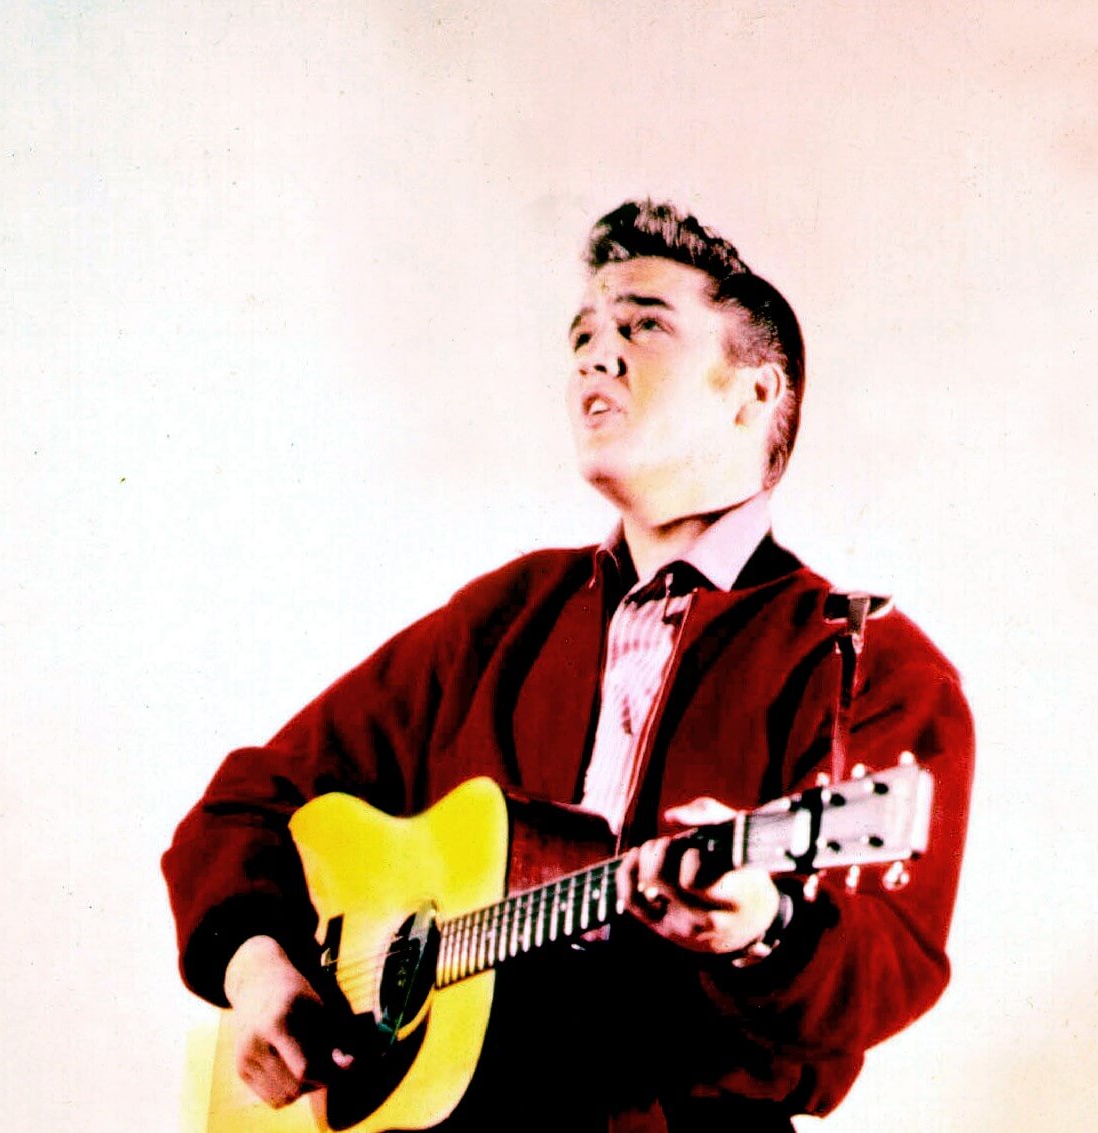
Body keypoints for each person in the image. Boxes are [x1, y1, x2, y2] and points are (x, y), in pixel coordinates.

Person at [162, 200, 974, 1132]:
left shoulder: (863, 661)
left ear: (755, 392)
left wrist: (764, 930)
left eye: (644, 326)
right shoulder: (505, 614)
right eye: (583, 335)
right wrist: (257, 966)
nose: (595, 355)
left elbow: (886, 962)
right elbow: (244, 802)